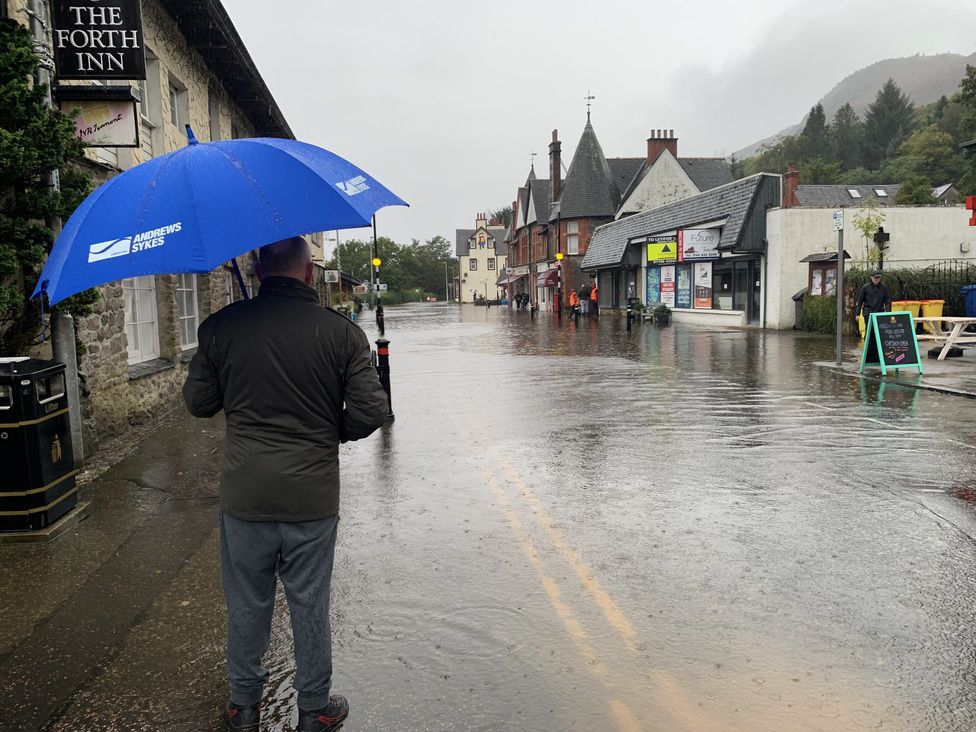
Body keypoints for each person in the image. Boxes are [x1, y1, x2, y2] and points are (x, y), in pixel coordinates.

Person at [183, 236, 389, 732]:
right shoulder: (341, 334)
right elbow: (371, 411)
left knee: (247, 602)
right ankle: (315, 710)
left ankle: (243, 707)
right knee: (309, 602)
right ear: (310, 275)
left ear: (256, 273)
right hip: (311, 498)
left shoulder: (219, 328)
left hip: (245, 496)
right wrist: (327, 433)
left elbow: (199, 404)